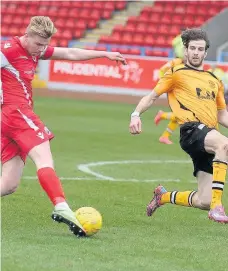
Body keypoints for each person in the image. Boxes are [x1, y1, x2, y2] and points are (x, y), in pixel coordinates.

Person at [1, 16, 127, 237]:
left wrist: (104, 53)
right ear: (27, 35)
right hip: (17, 113)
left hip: (9, 119)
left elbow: (69, 53)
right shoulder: (8, 50)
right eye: (38, 44)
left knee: (9, 184)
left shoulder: (35, 50)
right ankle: (61, 206)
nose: (42, 49)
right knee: (44, 159)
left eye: (45, 45)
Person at [129, 28, 228, 223]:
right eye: (192, 48)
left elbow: (222, 114)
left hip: (208, 135)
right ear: (185, 49)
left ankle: (163, 196)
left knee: (204, 200)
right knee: (224, 145)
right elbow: (152, 96)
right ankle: (218, 207)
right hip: (191, 131)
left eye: (200, 49)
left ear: (206, 52)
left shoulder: (214, 80)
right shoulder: (176, 73)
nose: (196, 52)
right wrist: (135, 114)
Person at [155, 58, 183, 145]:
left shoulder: (189, 65)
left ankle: (165, 136)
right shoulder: (177, 61)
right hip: (174, 90)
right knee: (181, 116)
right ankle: (162, 115)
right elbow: (162, 69)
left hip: (181, 91)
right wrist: (164, 83)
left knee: (179, 116)